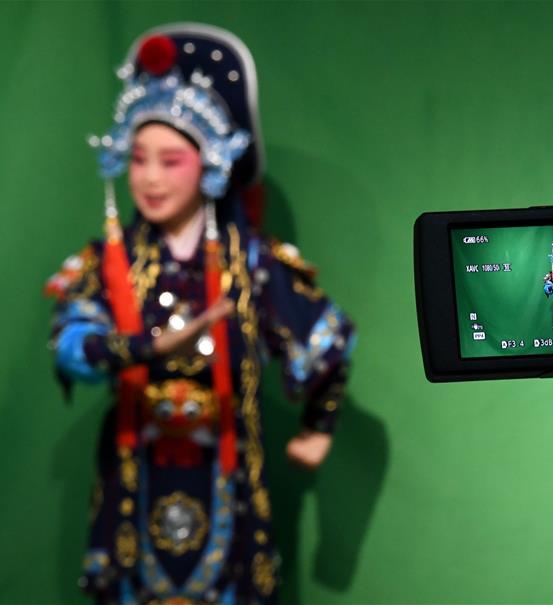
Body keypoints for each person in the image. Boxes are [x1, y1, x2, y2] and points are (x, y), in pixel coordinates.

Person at [44, 24, 355, 604]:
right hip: (136, 474)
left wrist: (318, 428)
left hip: (227, 476)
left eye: (171, 160)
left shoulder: (251, 263)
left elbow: (328, 343)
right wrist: (148, 348)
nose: (151, 178)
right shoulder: (110, 262)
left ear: (210, 163)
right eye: (138, 159)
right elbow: (70, 345)